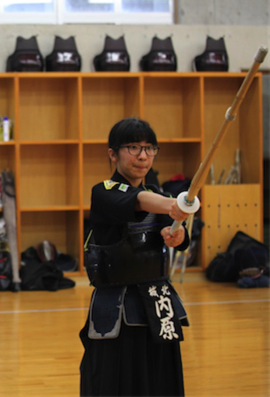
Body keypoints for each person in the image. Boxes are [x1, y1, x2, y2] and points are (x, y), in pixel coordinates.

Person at [81, 117, 195, 396]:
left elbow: (178, 240)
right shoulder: (104, 192)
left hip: (158, 303)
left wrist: (178, 235)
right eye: (133, 147)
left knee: (161, 379)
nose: (143, 156)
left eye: (149, 148)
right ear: (113, 153)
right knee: (116, 380)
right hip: (117, 305)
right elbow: (138, 200)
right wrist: (173, 205)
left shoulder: (158, 194)